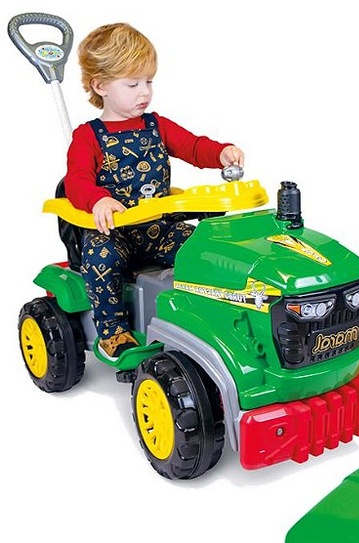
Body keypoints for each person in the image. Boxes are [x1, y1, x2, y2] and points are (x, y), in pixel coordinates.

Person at [65, 22, 244, 360]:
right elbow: (76, 181)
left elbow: (193, 146)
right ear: (100, 85)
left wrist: (220, 153)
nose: (144, 92)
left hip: (158, 229)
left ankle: (213, 316)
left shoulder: (157, 126)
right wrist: (98, 199)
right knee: (100, 260)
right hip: (113, 233)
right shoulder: (88, 136)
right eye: (132, 84)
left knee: (204, 247)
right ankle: (113, 332)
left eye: (148, 81)